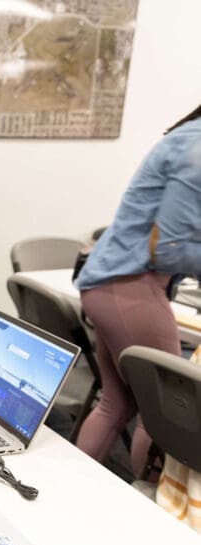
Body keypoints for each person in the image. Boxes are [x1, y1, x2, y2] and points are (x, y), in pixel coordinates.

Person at [74, 103, 201, 475]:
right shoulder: (196, 148)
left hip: (110, 286)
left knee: (116, 404)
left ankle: (72, 490)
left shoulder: (187, 139)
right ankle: (150, 511)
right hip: (128, 288)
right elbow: (170, 248)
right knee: (159, 416)